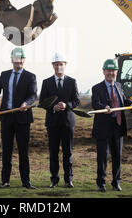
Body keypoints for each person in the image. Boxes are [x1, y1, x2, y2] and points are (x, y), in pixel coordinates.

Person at [0, 48, 38, 189]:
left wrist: (26, 103)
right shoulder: (4, 75)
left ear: (24, 60)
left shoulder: (30, 76)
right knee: (6, 150)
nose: (18, 61)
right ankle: (5, 181)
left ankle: (26, 182)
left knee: (23, 151)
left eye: (21, 58)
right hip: (6, 117)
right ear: (12, 60)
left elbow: (33, 95)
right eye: (16, 58)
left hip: (23, 119)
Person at [91, 59, 132, 192]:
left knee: (117, 157)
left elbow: (124, 99)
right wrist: (104, 107)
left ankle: (116, 182)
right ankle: (101, 183)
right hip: (103, 129)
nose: (110, 73)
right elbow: (95, 103)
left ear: (116, 72)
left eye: (113, 71)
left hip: (118, 127)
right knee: (102, 158)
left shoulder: (119, 85)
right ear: (104, 71)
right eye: (108, 70)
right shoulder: (96, 88)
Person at [39, 53, 80, 188]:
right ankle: (54, 180)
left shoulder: (72, 82)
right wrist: (53, 107)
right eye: (56, 65)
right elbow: (42, 102)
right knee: (53, 152)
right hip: (53, 122)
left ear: (65, 66)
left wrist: (66, 105)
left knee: (68, 152)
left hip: (68, 123)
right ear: (53, 66)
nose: (59, 67)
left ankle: (68, 180)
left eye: (61, 64)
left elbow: (76, 101)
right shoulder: (46, 82)